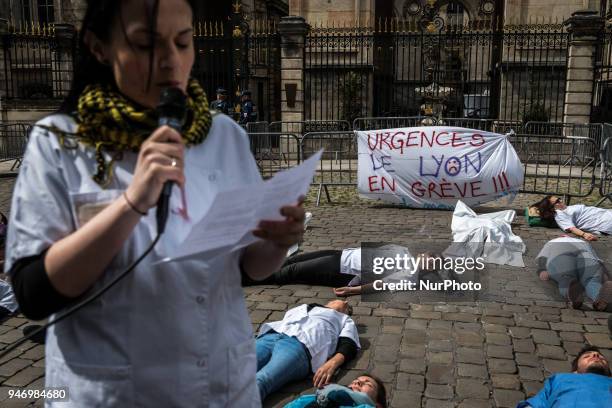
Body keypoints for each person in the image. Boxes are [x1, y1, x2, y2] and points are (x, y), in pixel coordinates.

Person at [4, 1, 305, 406]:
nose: (170, 62)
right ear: (98, 46)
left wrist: (277, 242)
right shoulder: (59, 142)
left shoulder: (224, 136)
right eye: (147, 45)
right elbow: (33, 294)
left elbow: (248, 268)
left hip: (219, 386)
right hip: (113, 392)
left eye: (183, 42)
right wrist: (131, 203)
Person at [256, 300, 360, 402]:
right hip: (270, 336)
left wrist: (333, 363)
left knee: (262, 380)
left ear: (346, 309)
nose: (343, 302)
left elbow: (349, 343)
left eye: (343, 303)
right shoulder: (307, 307)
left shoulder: (345, 319)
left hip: (298, 347)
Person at [242, 245, 419, 297]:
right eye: (433, 255)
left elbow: (382, 284)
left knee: (290, 272)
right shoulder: (403, 250)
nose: (430, 258)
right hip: (341, 254)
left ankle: (243, 279)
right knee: (291, 260)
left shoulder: (410, 274)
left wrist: (353, 290)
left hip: (342, 270)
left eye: (434, 262)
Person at [516, 346, 612, 408]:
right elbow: (535, 405)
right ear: (575, 372)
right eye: (587, 356)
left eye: (600, 357)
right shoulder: (559, 379)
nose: (595, 355)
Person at [536, 236, 612, 311]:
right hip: (586, 256)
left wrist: (542, 269)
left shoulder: (553, 242)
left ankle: (571, 293)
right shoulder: (584, 243)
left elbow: (543, 256)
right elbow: (597, 260)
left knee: (566, 277)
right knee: (592, 281)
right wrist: (605, 273)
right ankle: (599, 298)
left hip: (561, 255)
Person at [284, 373, 388, 408]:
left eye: (368, 384)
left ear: (378, 405)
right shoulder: (309, 398)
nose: (357, 382)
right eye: (355, 380)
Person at [536, 195, 612, 241]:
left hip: (607, 214)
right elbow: (571, 228)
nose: (561, 201)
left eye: (559, 199)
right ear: (552, 208)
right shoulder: (559, 214)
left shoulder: (567, 208)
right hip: (605, 221)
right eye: (557, 202)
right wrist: (584, 234)